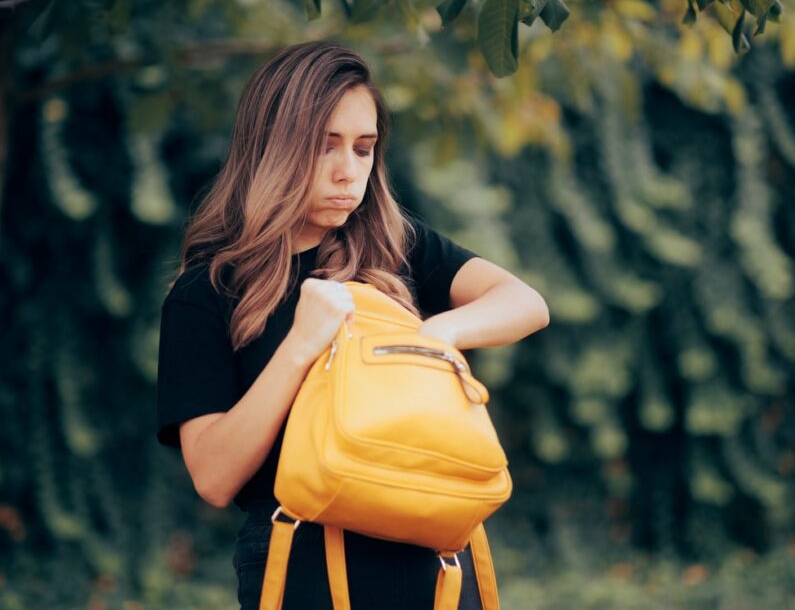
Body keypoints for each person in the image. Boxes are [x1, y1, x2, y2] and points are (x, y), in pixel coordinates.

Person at [155, 39, 549, 610]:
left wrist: (434, 336)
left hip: (434, 557)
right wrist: (301, 347)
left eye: (364, 149)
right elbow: (214, 477)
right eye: (325, 147)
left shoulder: (396, 245)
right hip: (306, 565)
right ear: (273, 149)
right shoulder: (208, 291)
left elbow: (525, 303)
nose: (349, 171)